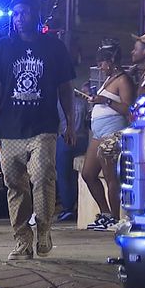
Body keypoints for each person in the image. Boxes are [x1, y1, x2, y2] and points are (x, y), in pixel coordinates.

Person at [0, 0, 76, 260]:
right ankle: (22, 241)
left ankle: (43, 228)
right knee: (15, 185)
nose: (19, 18)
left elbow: (65, 86)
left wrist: (70, 122)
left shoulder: (53, 47)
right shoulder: (2, 47)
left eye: (24, 12)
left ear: (36, 13)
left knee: (43, 175)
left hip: (44, 126)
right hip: (10, 128)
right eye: (16, 13)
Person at [82, 41, 135, 232]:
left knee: (111, 177)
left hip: (113, 132)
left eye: (103, 63)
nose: (101, 67)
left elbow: (128, 108)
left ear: (112, 61)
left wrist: (104, 100)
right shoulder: (109, 78)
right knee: (88, 174)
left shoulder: (123, 80)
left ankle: (114, 216)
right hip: (98, 132)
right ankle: (104, 213)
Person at [55, 82, 90, 222]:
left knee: (64, 176)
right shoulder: (83, 103)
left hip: (65, 139)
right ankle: (77, 205)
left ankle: (67, 208)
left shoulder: (59, 103)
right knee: (77, 175)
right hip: (82, 140)